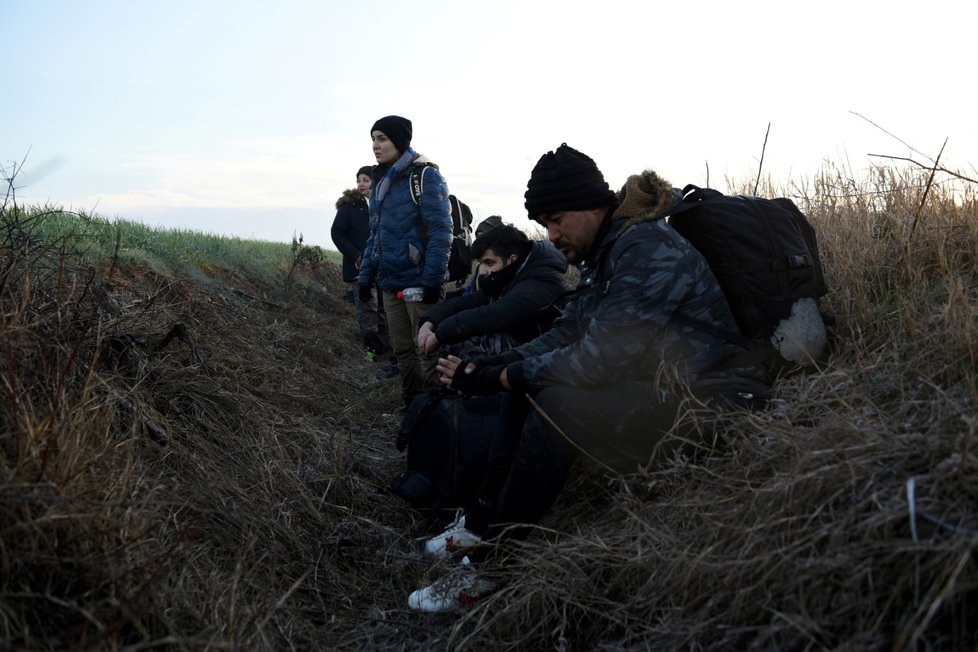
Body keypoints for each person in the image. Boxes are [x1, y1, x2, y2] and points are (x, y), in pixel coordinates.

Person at [406, 143, 770, 613]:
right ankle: (478, 524)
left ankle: (492, 568)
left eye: (558, 220)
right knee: (525, 383)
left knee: (559, 406)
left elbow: (597, 362)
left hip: (712, 396)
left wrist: (500, 377)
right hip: (657, 384)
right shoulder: (606, 254)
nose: (551, 234)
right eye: (545, 224)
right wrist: (494, 369)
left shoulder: (645, 249)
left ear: (593, 206)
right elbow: (566, 333)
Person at [358, 115, 453, 409]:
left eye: (382, 138)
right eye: (373, 138)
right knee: (403, 351)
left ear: (399, 141)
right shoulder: (380, 183)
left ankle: (434, 413)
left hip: (418, 280)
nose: (375, 145)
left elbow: (441, 232)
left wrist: (431, 281)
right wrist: (365, 277)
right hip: (390, 282)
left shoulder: (424, 176)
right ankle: (411, 407)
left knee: (426, 350)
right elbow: (375, 235)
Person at [416, 223, 568, 360]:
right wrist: (428, 323)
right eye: (481, 263)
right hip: (527, 352)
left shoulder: (542, 281)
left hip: (550, 360)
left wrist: (439, 335)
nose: (483, 271)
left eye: (489, 263)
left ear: (512, 259)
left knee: (475, 341)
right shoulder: (511, 276)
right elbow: (465, 302)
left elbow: (494, 314)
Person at [330, 164, 390, 356]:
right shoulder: (349, 207)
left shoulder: (380, 206)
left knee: (383, 308)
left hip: (381, 268)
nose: (361, 184)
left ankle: (387, 349)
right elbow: (337, 233)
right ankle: (372, 351)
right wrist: (355, 255)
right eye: (359, 180)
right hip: (359, 268)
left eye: (366, 180)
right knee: (368, 308)